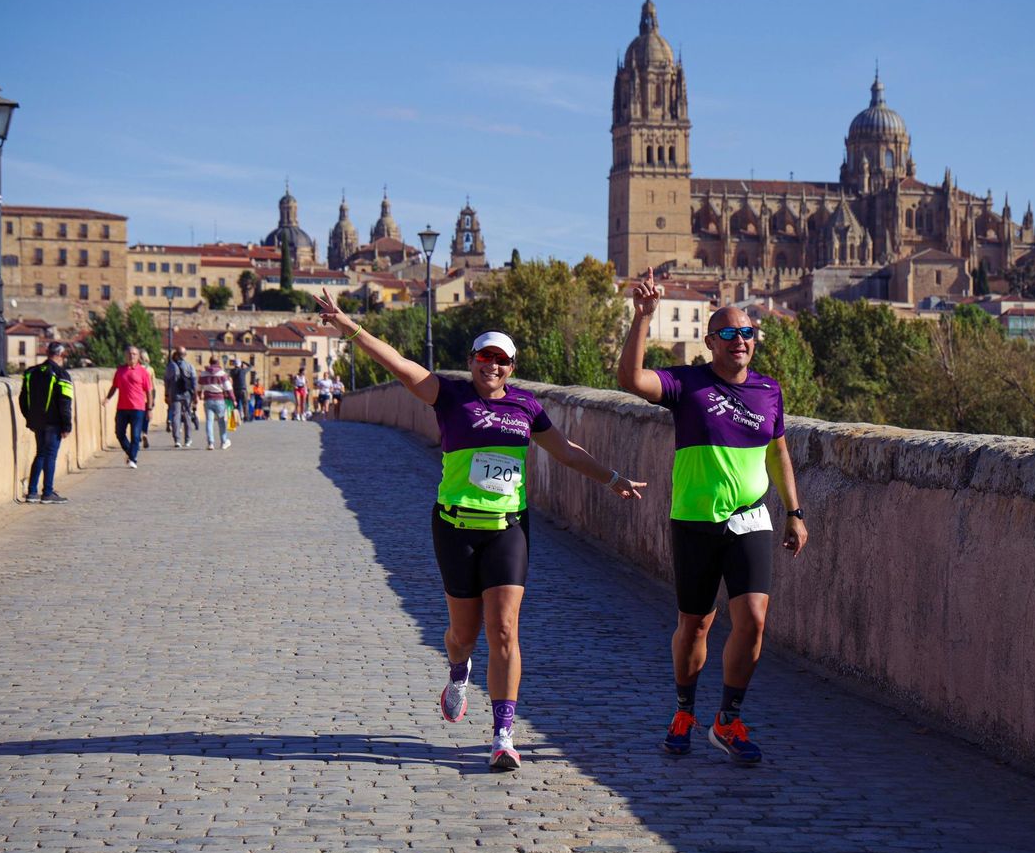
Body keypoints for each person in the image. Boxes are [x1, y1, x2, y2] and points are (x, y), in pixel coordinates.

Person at [317, 288, 646, 772]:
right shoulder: (447, 394)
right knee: (462, 634)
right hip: (455, 528)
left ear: (512, 367)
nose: (492, 366)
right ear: (471, 361)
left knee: (505, 631)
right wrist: (349, 327)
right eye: (484, 357)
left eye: (502, 360)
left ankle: (503, 735)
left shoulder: (527, 408)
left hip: (507, 528)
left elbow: (567, 451)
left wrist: (612, 479)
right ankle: (457, 670)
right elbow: (398, 364)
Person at [616, 272, 808, 766]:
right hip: (696, 521)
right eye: (728, 333)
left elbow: (779, 453)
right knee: (696, 624)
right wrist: (643, 317)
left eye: (747, 333)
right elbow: (630, 380)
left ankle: (728, 719)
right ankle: (684, 711)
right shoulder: (687, 383)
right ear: (710, 343)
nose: (740, 340)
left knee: (754, 620)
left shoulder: (770, 391)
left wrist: (795, 512)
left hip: (751, 520)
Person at [18, 341, 73, 504]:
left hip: (37, 422)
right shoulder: (61, 374)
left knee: (40, 453)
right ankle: (48, 492)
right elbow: (65, 403)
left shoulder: (31, 372)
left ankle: (32, 492)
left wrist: (30, 418)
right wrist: (67, 425)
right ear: (61, 355)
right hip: (54, 423)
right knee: (50, 455)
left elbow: (22, 399)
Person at [105, 344, 154, 468]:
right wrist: (107, 398)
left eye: (134, 354)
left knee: (136, 436)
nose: (131, 356)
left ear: (138, 357)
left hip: (138, 408)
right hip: (122, 407)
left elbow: (149, 391)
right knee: (119, 433)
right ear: (125, 355)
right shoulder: (120, 370)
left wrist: (149, 409)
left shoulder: (143, 372)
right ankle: (130, 452)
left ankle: (133, 459)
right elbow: (114, 386)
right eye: (129, 354)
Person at [199, 355, 234, 450]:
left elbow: (199, 387)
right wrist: (233, 399)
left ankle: (210, 443)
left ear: (210, 362)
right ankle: (223, 442)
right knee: (221, 422)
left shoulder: (203, 374)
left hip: (208, 399)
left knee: (209, 422)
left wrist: (198, 396)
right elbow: (228, 388)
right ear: (218, 363)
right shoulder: (222, 374)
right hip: (219, 399)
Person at [165, 348, 198, 448]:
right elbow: (194, 382)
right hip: (187, 394)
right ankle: (187, 440)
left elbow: (167, 381)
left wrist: (166, 394)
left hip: (175, 394)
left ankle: (177, 440)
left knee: (176, 416)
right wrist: (195, 395)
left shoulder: (171, 366)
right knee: (187, 415)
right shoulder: (189, 366)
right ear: (185, 355)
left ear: (176, 354)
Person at [138, 349, 156, 449]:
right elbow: (153, 385)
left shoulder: (136, 369)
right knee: (147, 417)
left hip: (138, 396)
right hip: (148, 396)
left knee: (138, 417)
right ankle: (145, 433)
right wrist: (154, 398)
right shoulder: (150, 369)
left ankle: (139, 432)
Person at [230, 359, 250, 423]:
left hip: (235, 389)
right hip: (243, 389)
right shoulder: (242, 371)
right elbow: (250, 366)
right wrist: (244, 362)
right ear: (240, 364)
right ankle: (246, 417)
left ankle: (237, 418)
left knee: (237, 404)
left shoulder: (232, 371)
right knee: (245, 404)